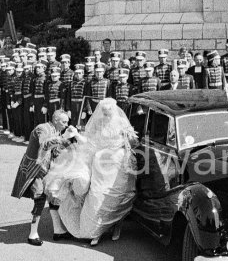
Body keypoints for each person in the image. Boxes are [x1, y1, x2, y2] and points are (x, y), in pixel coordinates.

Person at [45, 98, 138, 245]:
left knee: (115, 198)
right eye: (104, 112)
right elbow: (89, 142)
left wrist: (127, 142)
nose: (106, 115)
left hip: (117, 165)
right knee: (97, 197)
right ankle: (95, 231)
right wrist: (76, 135)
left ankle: (115, 226)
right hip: (100, 166)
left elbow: (132, 143)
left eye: (109, 112)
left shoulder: (121, 123)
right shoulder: (98, 123)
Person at [11, 109, 75, 245]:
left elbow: (55, 151)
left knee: (52, 197)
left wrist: (70, 142)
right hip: (34, 169)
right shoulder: (42, 128)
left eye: (67, 122)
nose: (66, 124)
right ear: (56, 120)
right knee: (40, 198)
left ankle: (58, 231)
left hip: (46, 170)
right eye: (64, 122)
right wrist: (63, 138)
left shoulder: (57, 131)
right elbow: (45, 144)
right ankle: (32, 234)